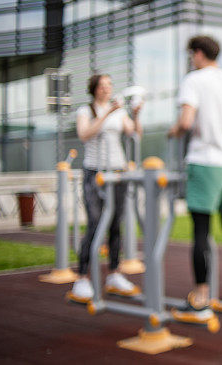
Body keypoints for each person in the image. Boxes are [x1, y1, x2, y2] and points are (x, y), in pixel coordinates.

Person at [168, 35, 222, 322]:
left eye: (191, 55)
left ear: (197, 53)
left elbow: (185, 121)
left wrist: (174, 133)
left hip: (205, 162)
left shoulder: (194, 80)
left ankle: (202, 297)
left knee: (201, 232)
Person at [70, 74, 143, 301]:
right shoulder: (86, 111)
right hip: (95, 172)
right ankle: (82, 277)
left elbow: (134, 133)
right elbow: (84, 134)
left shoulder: (119, 112)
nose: (107, 89)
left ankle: (114, 273)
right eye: (102, 86)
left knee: (115, 225)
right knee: (94, 223)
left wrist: (137, 115)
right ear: (94, 89)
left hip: (117, 171)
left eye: (109, 85)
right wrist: (107, 114)